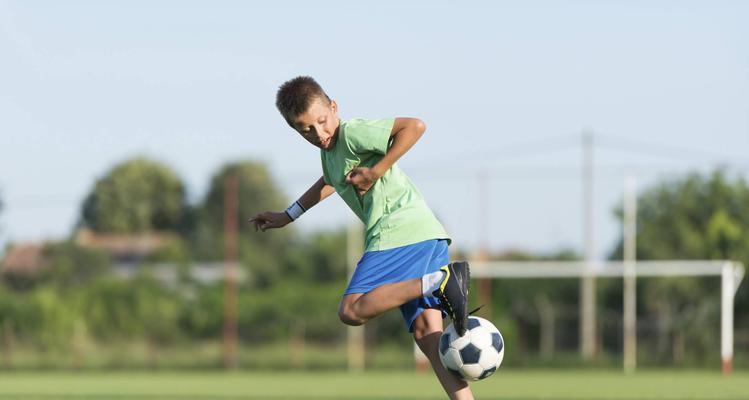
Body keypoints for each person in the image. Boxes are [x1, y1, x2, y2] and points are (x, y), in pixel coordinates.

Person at [250, 76, 473, 399]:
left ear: (334, 108)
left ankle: (438, 282)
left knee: (351, 310)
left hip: (397, 232)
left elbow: (415, 126)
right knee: (428, 336)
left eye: (322, 122)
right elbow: (329, 181)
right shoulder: (330, 154)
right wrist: (289, 215)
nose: (319, 133)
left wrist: (376, 170)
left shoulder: (352, 133)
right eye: (306, 130)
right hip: (424, 233)